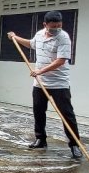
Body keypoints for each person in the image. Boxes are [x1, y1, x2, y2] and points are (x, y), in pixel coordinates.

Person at [7, 10, 82, 159]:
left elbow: (60, 61)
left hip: (59, 83)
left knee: (66, 114)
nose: (56, 29)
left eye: (59, 26)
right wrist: (15, 38)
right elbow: (31, 44)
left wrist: (40, 71)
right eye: (53, 26)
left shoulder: (64, 38)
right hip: (40, 83)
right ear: (45, 25)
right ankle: (40, 139)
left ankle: (74, 145)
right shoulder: (40, 34)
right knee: (38, 111)